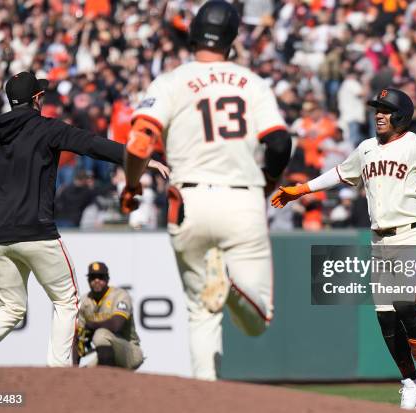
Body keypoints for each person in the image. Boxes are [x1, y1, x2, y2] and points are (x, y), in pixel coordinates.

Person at [271, 88, 416, 409]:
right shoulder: (366, 148)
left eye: (385, 109)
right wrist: (302, 189)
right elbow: (341, 173)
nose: (378, 114)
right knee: (386, 319)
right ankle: (409, 381)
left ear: (401, 114)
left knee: (403, 303)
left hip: (414, 234)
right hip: (380, 240)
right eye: (376, 109)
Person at [121, 1, 292, 380]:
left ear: (193, 33)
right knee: (257, 318)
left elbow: (138, 144)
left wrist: (132, 186)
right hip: (242, 199)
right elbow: (280, 144)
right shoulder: (253, 83)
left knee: (200, 310)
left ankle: (204, 396)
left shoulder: (169, 81)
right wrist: (268, 182)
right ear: (232, 40)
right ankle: (229, 288)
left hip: (188, 202)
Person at [0, 71, 165, 367]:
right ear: (37, 99)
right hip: (38, 233)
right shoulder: (46, 129)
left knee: (11, 307)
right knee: (67, 301)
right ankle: (58, 370)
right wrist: (138, 160)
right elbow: (92, 144)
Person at [73, 262, 143, 370]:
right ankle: (106, 380)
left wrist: (91, 325)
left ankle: (108, 379)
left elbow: (116, 325)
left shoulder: (120, 295)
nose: (96, 280)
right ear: (88, 280)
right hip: (106, 354)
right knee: (83, 373)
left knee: (100, 335)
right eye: (93, 277)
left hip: (130, 351)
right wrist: (74, 366)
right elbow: (79, 338)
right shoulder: (84, 302)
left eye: (100, 277)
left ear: (107, 279)